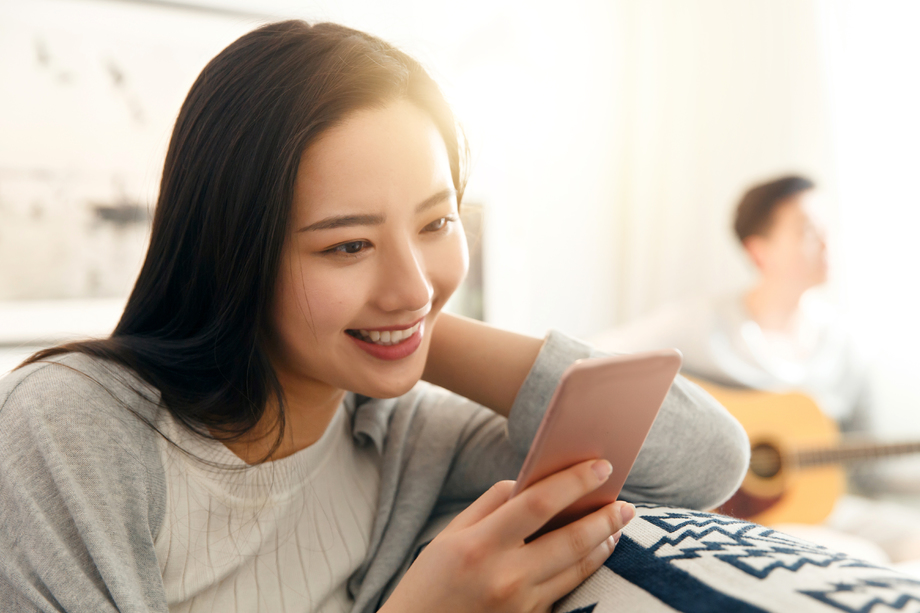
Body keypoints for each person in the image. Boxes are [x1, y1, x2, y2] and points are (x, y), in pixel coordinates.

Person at [0, 21, 749, 613]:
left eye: (436, 222)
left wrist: (413, 324)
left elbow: (705, 461)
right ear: (234, 253)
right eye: (349, 244)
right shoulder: (75, 424)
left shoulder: (409, 439)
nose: (413, 281)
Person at [593, 175, 920, 565]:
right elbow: (593, 356)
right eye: (808, 232)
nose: (827, 245)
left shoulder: (847, 345)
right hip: (734, 515)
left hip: (822, 506)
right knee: (861, 556)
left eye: (828, 230)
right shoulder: (703, 323)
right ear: (759, 250)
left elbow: (867, 467)